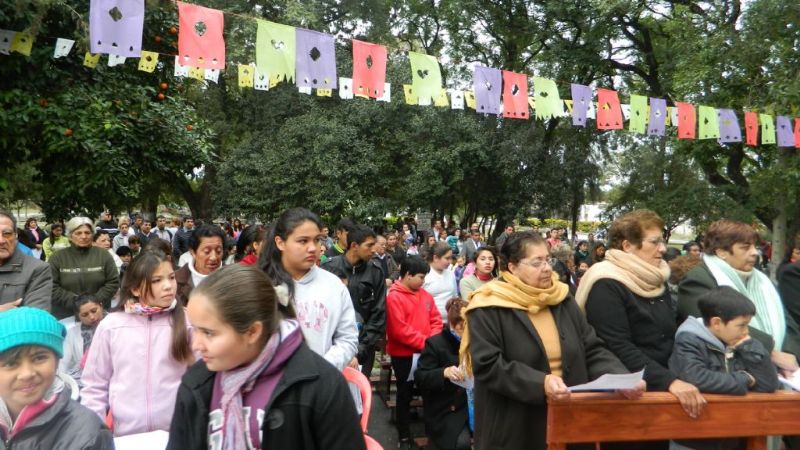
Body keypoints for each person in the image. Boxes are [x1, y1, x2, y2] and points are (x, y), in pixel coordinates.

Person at [461, 231, 644, 450]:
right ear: (512, 267)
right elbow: (488, 365)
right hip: (516, 425)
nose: (547, 268)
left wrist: (620, 377)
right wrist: (542, 382)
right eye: (537, 262)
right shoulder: (488, 305)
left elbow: (591, 348)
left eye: (548, 259)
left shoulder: (561, 297)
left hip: (570, 417)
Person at [167, 265, 365, 450]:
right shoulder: (197, 382)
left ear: (252, 332)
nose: (196, 345)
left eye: (209, 333)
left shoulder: (322, 386)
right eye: (195, 330)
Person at [577, 210, 705, 434]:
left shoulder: (655, 278)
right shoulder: (606, 282)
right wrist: (669, 381)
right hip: (625, 397)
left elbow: (668, 333)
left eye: (662, 242)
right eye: (654, 242)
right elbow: (617, 345)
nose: (663, 249)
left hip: (663, 392)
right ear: (627, 246)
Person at [81, 250, 193, 436]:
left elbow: (202, 379)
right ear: (134, 289)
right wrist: (94, 434)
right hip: (126, 436)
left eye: (171, 277)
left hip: (177, 435)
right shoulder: (112, 326)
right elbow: (94, 386)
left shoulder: (189, 322)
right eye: (157, 280)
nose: (168, 286)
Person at [678, 219, 800, 377]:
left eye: (754, 246)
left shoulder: (762, 280)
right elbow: (716, 325)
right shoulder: (697, 280)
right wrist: (772, 353)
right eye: (745, 247)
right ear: (721, 252)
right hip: (730, 373)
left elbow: (786, 320)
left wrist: (791, 353)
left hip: (783, 371)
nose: (755, 252)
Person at [669, 287, 780, 450]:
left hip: (733, 435)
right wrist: (744, 378)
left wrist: (750, 348)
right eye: (741, 325)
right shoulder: (689, 341)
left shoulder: (742, 343)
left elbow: (769, 384)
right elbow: (695, 377)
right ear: (716, 323)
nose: (746, 331)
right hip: (694, 438)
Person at [0, 307, 113, 449]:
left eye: (39, 358)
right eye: (11, 363)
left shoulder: (88, 435)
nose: (27, 373)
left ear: (57, 361)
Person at [260, 208, 358, 371]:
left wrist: (322, 368)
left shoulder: (333, 285)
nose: (313, 248)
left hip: (321, 382)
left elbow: (348, 338)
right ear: (280, 242)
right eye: (303, 241)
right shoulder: (261, 285)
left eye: (317, 240)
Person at [385, 256, 443, 448]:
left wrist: (432, 342)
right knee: (405, 393)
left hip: (426, 352)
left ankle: (432, 432)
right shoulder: (394, 297)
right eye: (420, 277)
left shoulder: (425, 295)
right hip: (404, 355)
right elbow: (399, 330)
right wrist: (427, 344)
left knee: (429, 391)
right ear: (408, 275)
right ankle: (404, 435)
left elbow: (435, 320)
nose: (423, 281)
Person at [322, 224, 385, 376]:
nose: (373, 250)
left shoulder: (375, 272)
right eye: (369, 245)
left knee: (360, 394)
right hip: (329, 349)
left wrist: (359, 350)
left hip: (363, 349)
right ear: (354, 245)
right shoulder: (328, 269)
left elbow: (378, 314)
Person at [415, 297, 471, 450]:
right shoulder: (435, 343)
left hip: (473, 403)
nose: (466, 332)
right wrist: (444, 372)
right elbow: (421, 377)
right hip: (446, 407)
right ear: (452, 324)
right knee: (461, 443)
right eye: (462, 327)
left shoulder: (477, 342)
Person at [50, 217, 119, 320]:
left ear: (92, 234)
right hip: (67, 315)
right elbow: (51, 286)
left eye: (87, 233)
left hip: (98, 314)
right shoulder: (57, 258)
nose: (83, 236)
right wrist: (77, 302)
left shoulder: (104, 255)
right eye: (78, 233)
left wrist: (93, 302)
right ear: (70, 236)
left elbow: (113, 282)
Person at [0, 210, 52, 312]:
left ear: (16, 236)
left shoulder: (38, 269)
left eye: (7, 233)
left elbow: (35, 320)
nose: (1, 241)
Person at [60, 294, 106, 387]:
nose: (92, 317)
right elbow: (62, 363)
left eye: (94, 311)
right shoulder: (72, 333)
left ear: (101, 306)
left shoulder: (116, 325)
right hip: (85, 383)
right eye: (85, 315)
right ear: (78, 316)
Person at [175, 224, 225, 305]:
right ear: (192, 252)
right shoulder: (176, 281)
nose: (213, 257)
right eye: (207, 252)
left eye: (218, 251)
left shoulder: (233, 278)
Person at [423, 241, 459, 323]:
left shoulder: (450, 274)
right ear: (435, 258)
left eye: (451, 258)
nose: (450, 262)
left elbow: (455, 296)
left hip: (450, 323)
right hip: (431, 324)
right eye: (447, 258)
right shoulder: (424, 275)